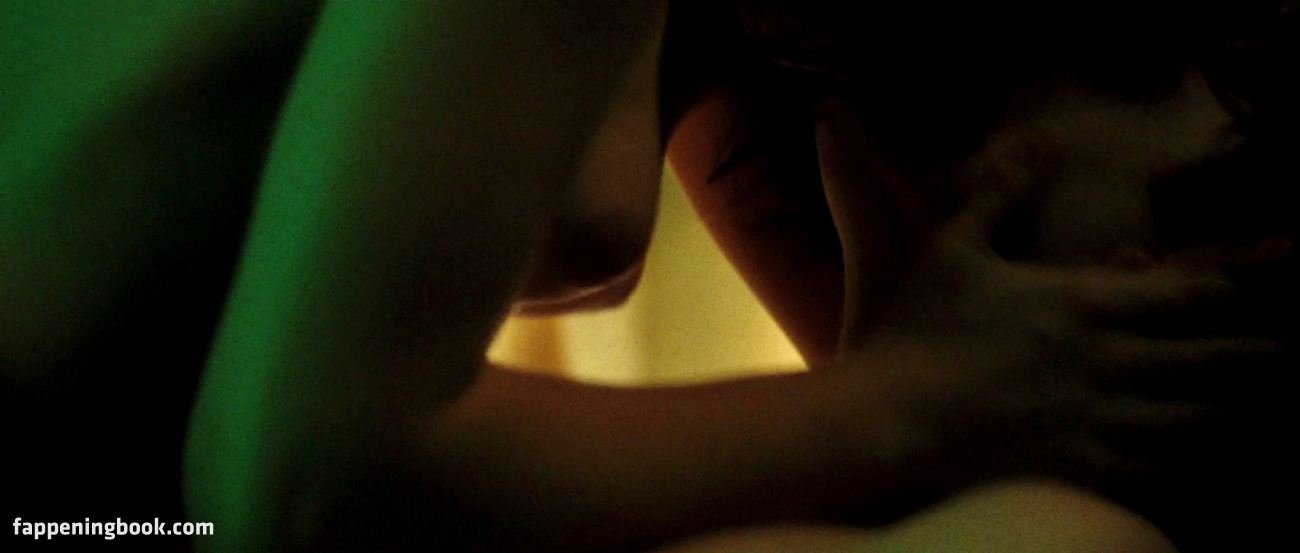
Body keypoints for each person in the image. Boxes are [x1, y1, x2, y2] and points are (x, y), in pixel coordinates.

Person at [0, 2, 1288, 553]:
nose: (1122, 301)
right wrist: (929, 399)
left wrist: (927, 400)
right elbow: (298, 485)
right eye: (1204, 217)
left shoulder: (776, 82)